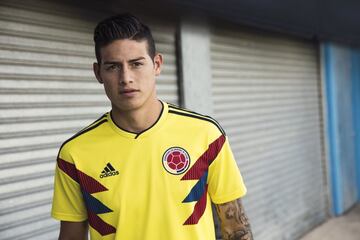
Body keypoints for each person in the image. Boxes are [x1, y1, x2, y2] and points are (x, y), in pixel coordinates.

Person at [51, 13, 253, 240]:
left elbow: (235, 228)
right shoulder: (74, 154)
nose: (126, 77)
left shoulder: (206, 135)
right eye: (113, 67)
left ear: (157, 64)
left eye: (136, 64)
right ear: (98, 73)